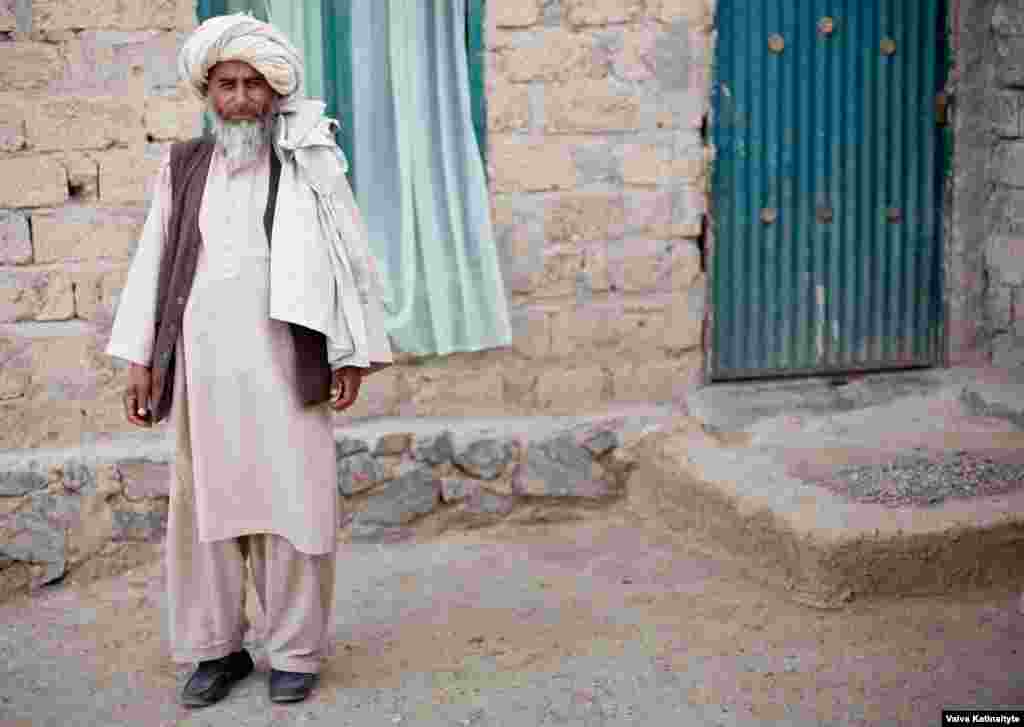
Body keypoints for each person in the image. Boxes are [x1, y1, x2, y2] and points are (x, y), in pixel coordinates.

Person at [105, 14, 392, 707]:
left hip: (284, 368)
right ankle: (217, 648)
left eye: (252, 84)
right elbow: (153, 264)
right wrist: (142, 359)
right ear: (208, 92)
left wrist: (349, 352)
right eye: (226, 85)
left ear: (274, 90)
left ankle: (294, 650)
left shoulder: (309, 162)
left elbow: (346, 258)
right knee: (206, 513)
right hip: (203, 373)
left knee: (294, 506)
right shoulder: (183, 166)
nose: (239, 99)